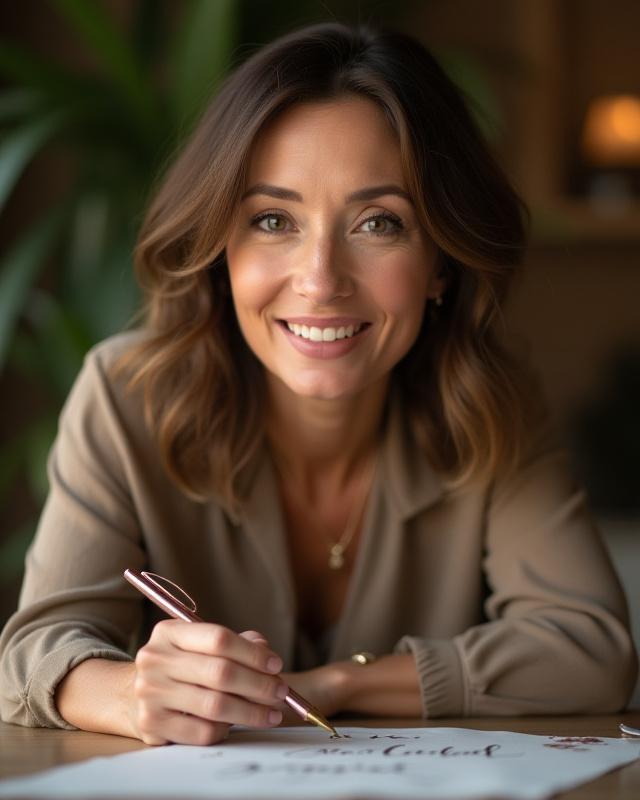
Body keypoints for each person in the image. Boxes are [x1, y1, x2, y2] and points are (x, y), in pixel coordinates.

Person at [0, 22, 636, 747]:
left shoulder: (489, 402)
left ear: (441, 263)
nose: (320, 280)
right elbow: (32, 652)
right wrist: (131, 692)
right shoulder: (125, 394)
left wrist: (338, 682)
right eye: (273, 220)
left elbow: (590, 650)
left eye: (378, 223)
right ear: (220, 250)